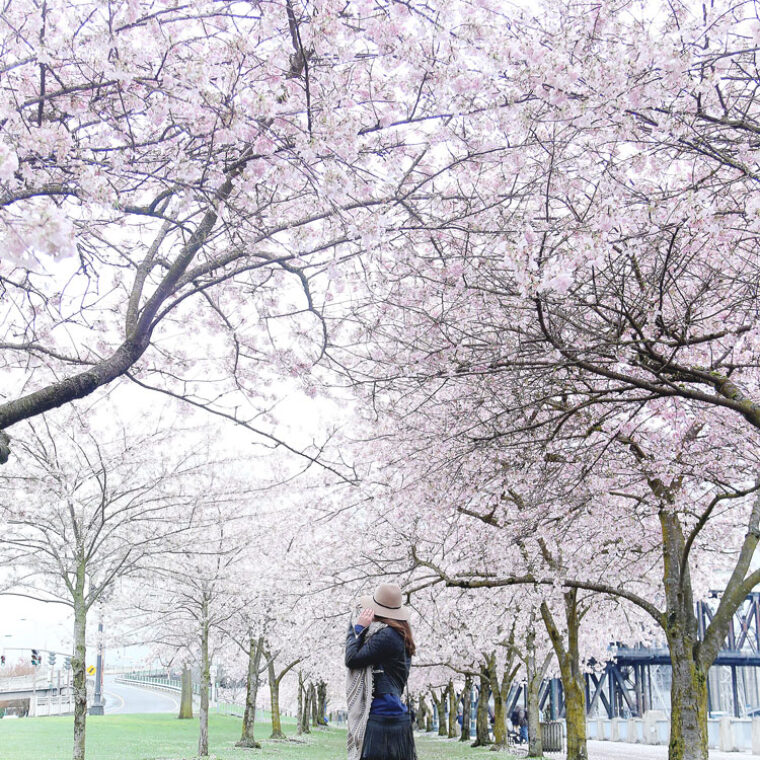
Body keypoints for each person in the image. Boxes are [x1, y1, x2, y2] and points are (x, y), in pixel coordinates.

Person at [345, 583, 417, 760]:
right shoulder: (400, 633)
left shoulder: (387, 636)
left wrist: (357, 629)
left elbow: (352, 659)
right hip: (393, 713)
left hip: (381, 714)